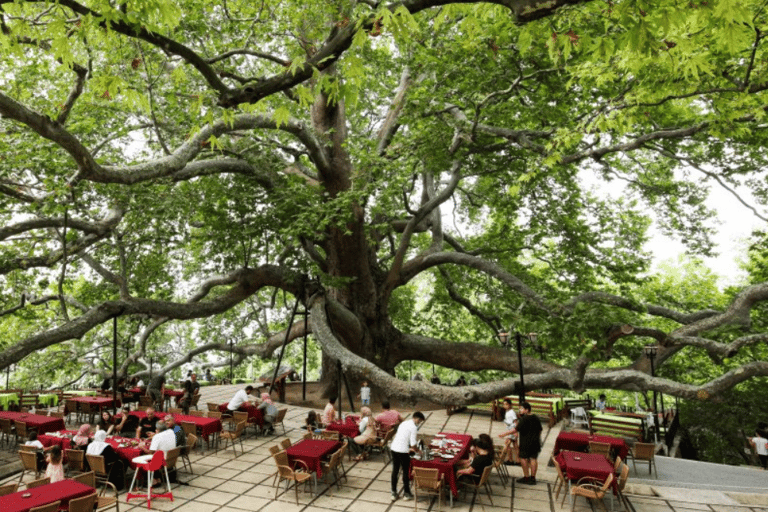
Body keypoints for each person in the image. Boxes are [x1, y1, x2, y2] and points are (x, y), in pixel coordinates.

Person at [389, 411, 426, 501]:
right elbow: (413, 443)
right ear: (417, 418)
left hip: (394, 448)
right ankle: (406, 493)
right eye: (420, 421)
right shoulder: (413, 427)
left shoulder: (404, 423)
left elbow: (402, 437)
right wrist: (418, 451)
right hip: (402, 451)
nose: (419, 423)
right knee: (406, 471)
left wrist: (409, 447)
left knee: (395, 470)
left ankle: (394, 492)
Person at [509, 401, 543, 485]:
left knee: (523, 458)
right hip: (535, 442)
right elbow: (540, 430)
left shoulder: (523, 419)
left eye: (521, 408)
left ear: (527, 410)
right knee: (533, 459)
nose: (519, 410)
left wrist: (504, 434)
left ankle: (526, 477)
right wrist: (537, 438)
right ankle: (533, 478)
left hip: (525, 443)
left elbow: (516, 429)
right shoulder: (536, 417)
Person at [497, 398, 518, 465]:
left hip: (511, 431)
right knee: (515, 445)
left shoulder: (512, 412)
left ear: (510, 405)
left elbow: (515, 422)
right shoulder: (507, 412)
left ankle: (510, 459)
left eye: (506, 404)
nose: (504, 406)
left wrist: (515, 431)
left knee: (507, 444)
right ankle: (516, 460)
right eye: (504, 404)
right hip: (509, 430)